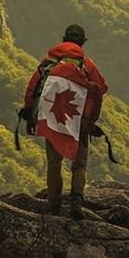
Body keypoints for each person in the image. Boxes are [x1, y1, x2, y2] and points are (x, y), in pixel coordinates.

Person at [23, 24, 108, 218]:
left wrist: (30, 114)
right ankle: (76, 203)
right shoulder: (87, 65)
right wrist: (90, 118)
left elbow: (32, 89)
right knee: (79, 164)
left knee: (54, 163)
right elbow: (101, 88)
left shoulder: (48, 63)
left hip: (52, 119)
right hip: (78, 122)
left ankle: (54, 206)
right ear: (83, 42)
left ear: (63, 39)